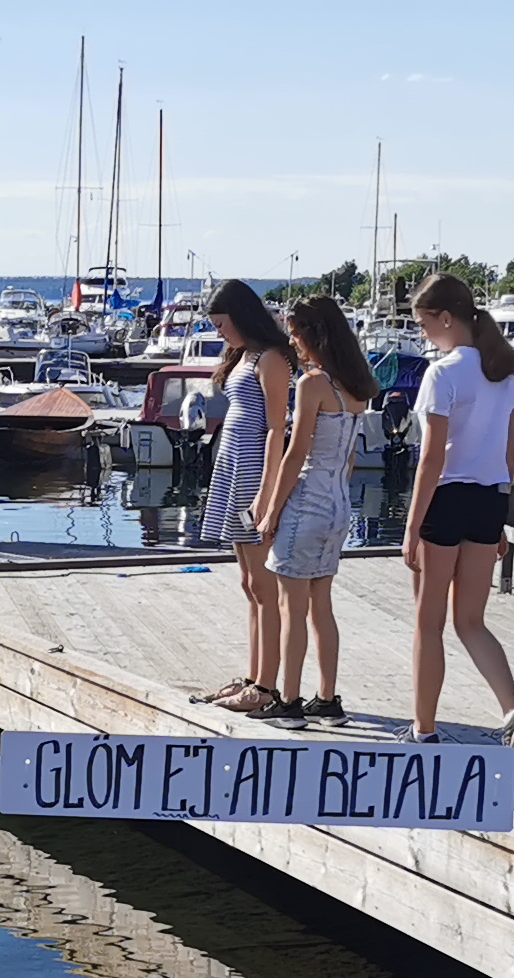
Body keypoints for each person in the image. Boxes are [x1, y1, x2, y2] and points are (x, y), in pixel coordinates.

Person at [400, 273, 514, 757]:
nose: (422, 333)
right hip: (488, 500)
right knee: (472, 621)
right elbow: (510, 451)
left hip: (446, 498)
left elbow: (432, 458)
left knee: (428, 622)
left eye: (423, 323)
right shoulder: (506, 372)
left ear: (444, 318)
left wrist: (412, 525)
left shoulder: (443, 373)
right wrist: (503, 518)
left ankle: (423, 730)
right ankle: (512, 711)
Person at [246, 295, 378, 729]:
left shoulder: (312, 385)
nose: (292, 340)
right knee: (322, 605)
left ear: (312, 334)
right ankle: (327, 698)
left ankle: (288, 701)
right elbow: (350, 458)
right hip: (339, 504)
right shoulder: (357, 386)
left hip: (307, 503)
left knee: (291, 607)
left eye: (296, 332)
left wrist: (270, 512)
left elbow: (295, 452)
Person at [186, 280, 296, 714]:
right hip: (232, 465)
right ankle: (253, 675)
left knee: (264, 586)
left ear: (240, 316)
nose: (218, 333)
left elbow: (275, 428)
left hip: (253, 470)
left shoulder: (271, 359)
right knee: (250, 584)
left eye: (221, 324)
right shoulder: (243, 356)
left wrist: (268, 493)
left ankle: (267, 684)